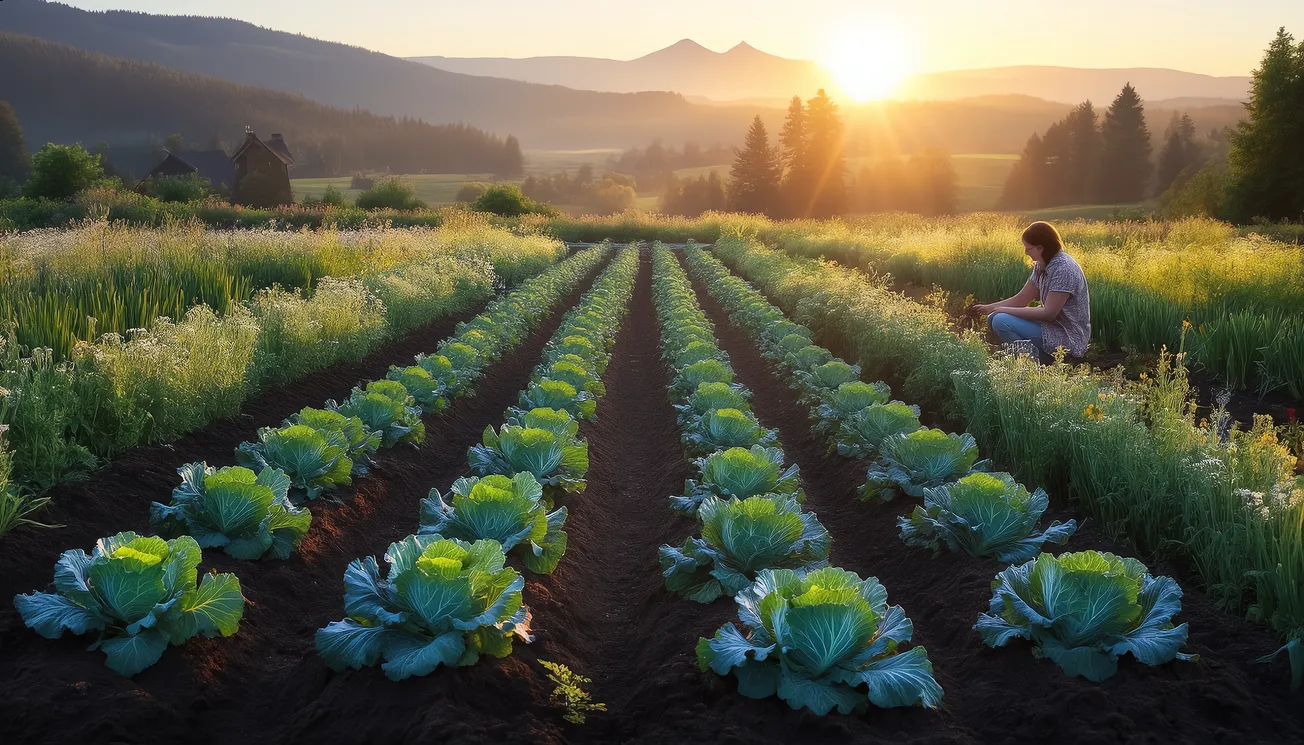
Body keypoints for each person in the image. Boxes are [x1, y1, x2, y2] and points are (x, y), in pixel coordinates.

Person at [970, 221, 1090, 361]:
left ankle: (1034, 363)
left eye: (1028, 248)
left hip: (1066, 335)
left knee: (1001, 320)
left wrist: (1002, 309)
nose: (1025, 252)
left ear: (1040, 248)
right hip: (1049, 328)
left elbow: (1049, 314)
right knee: (993, 317)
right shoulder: (1042, 265)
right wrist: (989, 308)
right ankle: (1028, 355)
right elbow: (1021, 299)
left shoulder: (1064, 269)